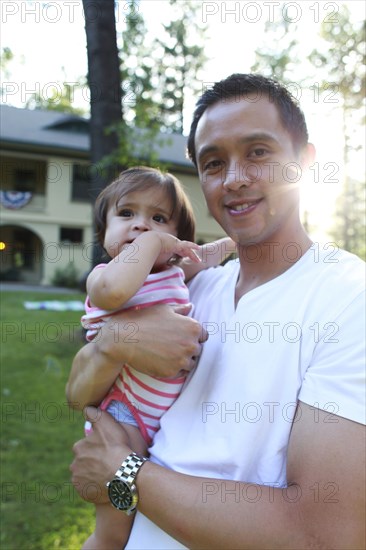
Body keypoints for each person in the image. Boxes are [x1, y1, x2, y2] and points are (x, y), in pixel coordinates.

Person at [67, 74, 365, 549]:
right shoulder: (195, 287)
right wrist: (115, 341)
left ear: (304, 163)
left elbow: (324, 535)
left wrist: (122, 474)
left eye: (258, 153)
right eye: (213, 163)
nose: (234, 179)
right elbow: (77, 393)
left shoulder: (349, 299)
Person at [70, 165, 235, 549]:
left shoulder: (175, 270)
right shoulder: (104, 276)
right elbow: (113, 294)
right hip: (124, 415)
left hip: (159, 420)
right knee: (113, 533)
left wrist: (234, 244)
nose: (142, 226)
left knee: (145, 516)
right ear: (104, 231)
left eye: (158, 218)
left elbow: (207, 256)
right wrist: (152, 242)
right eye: (126, 214)